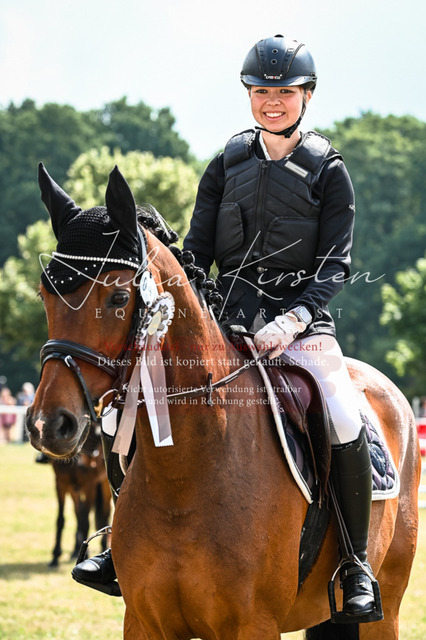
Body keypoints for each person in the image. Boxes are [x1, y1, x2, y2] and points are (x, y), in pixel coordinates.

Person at [74, 34, 380, 622]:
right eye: (262, 91)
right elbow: (196, 252)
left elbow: (335, 265)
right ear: (249, 95)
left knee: (343, 414)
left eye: (285, 93)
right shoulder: (226, 162)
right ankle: (120, 544)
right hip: (226, 325)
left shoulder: (329, 170)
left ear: (308, 96)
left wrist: (293, 318)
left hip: (303, 327)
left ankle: (355, 563)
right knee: (127, 408)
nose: (273, 102)